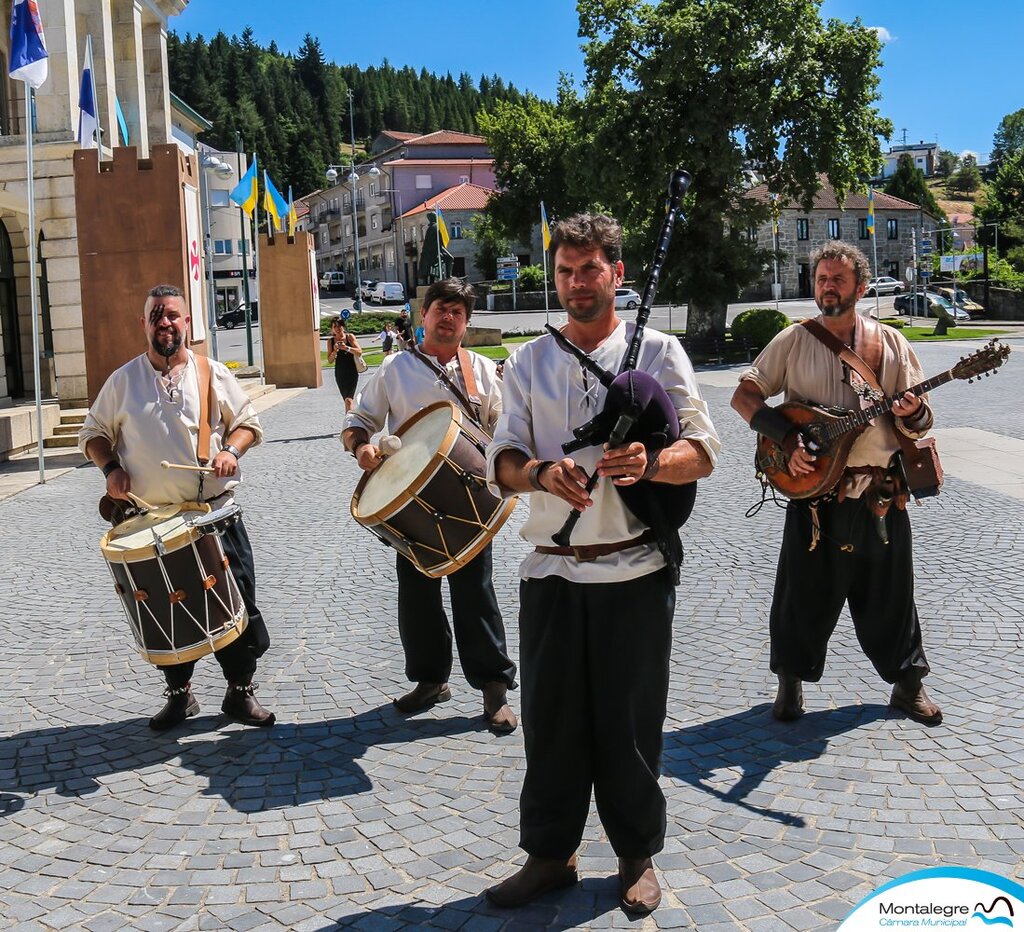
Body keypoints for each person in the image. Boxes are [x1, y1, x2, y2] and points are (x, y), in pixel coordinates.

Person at [486, 214, 719, 914]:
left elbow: (704, 452)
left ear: (618, 275)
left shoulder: (661, 351)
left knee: (629, 722)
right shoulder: (528, 361)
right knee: (552, 722)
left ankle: (636, 855)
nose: (577, 283)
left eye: (590, 269)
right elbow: (502, 461)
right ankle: (550, 856)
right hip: (552, 570)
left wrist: (654, 459)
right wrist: (539, 474)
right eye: (565, 271)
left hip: (634, 569)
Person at [730, 240, 942, 727]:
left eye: (838, 279)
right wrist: (786, 439)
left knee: (890, 595)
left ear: (860, 287)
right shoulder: (793, 340)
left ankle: (908, 686)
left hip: (879, 497)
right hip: (812, 496)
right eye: (821, 278)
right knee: (800, 594)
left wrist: (915, 411)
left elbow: (921, 423)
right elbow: (745, 397)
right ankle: (790, 685)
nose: (827, 286)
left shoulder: (889, 344)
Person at [79, 284, 275, 732]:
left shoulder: (211, 373)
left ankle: (240, 694)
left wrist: (232, 452)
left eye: (172, 316)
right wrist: (110, 468)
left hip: (212, 514)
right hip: (153, 522)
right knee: (166, 607)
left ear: (187, 322)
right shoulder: (123, 381)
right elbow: (93, 433)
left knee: (236, 600)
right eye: (156, 316)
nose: (164, 323)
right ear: (143, 324)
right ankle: (179, 695)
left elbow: (247, 423)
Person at [342, 277, 518, 733]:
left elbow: (506, 430)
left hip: (471, 500)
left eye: (458, 312)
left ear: (467, 321)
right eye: (441, 308)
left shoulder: (481, 369)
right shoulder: (396, 369)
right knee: (416, 597)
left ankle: (494, 688)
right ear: (424, 315)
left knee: (475, 594)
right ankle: (430, 680)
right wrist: (362, 447)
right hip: (411, 503)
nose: (448, 317)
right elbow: (360, 419)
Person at [327, 318, 363, 412]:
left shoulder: (349, 337)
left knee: (349, 400)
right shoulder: (330, 341)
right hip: (340, 373)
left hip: (352, 372)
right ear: (332, 329)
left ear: (343, 326)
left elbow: (359, 352)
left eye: (339, 326)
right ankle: (351, 418)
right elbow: (330, 360)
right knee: (346, 400)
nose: (337, 328)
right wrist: (335, 351)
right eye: (335, 326)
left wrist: (346, 348)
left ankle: (349, 422)